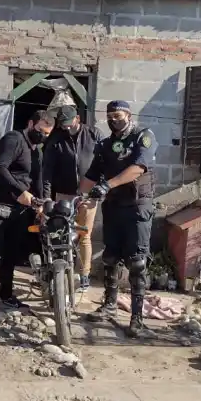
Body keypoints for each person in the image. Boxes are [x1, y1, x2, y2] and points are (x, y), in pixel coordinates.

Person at [78, 100, 157, 338]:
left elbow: (138, 167)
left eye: (118, 116)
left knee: (137, 262)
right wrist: (79, 197)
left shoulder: (143, 136)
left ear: (128, 115)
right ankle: (109, 305)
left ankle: (137, 318)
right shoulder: (105, 145)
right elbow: (92, 176)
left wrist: (107, 185)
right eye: (110, 116)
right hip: (113, 206)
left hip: (137, 206)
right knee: (110, 258)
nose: (113, 120)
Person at [0, 110, 55, 321]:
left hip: (20, 211)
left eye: (48, 134)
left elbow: (37, 180)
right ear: (30, 123)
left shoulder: (37, 151)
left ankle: (6, 295)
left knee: (11, 255)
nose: (43, 136)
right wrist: (20, 192)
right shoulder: (13, 139)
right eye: (41, 131)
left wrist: (41, 203)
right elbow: (0, 168)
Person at [42, 105, 103, 288]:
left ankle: (84, 274)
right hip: (63, 193)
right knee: (59, 234)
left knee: (84, 234)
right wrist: (47, 197)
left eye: (69, 123)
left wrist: (100, 187)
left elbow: (105, 162)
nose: (66, 127)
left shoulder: (94, 135)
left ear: (77, 118)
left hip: (87, 195)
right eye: (63, 124)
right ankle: (56, 271)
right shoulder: (56, 139)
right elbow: (47, 170)